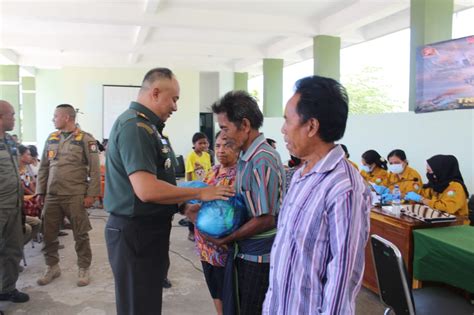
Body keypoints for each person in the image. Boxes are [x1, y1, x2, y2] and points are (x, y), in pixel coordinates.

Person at [103, 68, 233, 315]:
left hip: (149, 231)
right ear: (154, 93)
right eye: (174, 99)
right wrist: (201, 193)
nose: (175, 107)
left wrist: (183, 206)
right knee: (138, 306)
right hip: (135, 232)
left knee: (148, 302)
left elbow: (161, 181)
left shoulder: (151, 129)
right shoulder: (135, 127)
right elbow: (146, 189)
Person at [263, 76, 371, 314]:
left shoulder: (344, 187)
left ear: (311, 126)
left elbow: (343, 274)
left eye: (287, 120)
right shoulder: (303, 175)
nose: (282, 129)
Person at [210, 90, 285, 315]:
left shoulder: (261, 159)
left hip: (258, 258)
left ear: (244, 124)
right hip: (245, 251)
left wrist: (228, 238)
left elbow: (266, 218)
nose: (222, 136)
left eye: (225, 128)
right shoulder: (247, 157)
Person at [35, 104, 101, 287]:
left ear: (66, 118)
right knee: (48, 233)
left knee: (80, 234)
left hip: (75, 195)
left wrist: (92, 194)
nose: (53, 119)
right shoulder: (51, 138)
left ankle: (83, 268)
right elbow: (44, 167)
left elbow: (95, 170)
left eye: (55, 116)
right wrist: (40, 191)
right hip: (52, 195)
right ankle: (52, 266)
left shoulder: (86, 139)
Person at [183, 131, 239, 315]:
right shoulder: (213, 171)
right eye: (218, 146)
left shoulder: (239, 175)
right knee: (215, 290)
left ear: (238, 147)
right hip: (205, 248)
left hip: (223, 247)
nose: (221, 150)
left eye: (227, 145)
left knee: (229, 293)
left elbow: (229, 213)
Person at [0, 100, 29, 303]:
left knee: (13, 250)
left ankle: (7, 289)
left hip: (14, 206)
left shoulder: (10, 141)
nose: (14, 118)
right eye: (11, 114)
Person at [405, 154, 469, 217]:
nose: (428, 174)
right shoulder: (437, 184)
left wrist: (423, 200)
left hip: (457, 223)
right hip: (438, 219)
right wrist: (412, 195)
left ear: (440, 171)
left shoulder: (456, 187)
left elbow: (447, 208)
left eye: (429, 171)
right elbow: (424, 193)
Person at [185, 132, 212, 241]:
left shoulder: (207, 155)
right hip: (193, 187)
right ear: (194, 144)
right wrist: (190, 188)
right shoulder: (191, 156)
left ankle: (201, 231)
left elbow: (209, 171)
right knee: (192, 210)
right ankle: (191, 232)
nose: (204, 145)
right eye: (200, 143)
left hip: (204, 186)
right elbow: (188, 172)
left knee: (202, 209)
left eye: (205, 143)